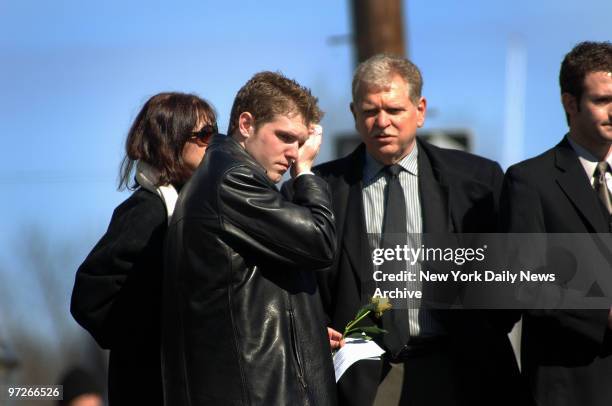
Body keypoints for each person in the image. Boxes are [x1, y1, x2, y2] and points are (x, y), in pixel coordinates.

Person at [313, 54, 522, 405]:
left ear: (419, 110)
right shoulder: (320, 188)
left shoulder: (479, 181)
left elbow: (509, 273)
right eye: (369, 111)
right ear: (353, 114)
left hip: (461, 371)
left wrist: (484, 329)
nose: (382, 122)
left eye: (394, 110)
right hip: (363, 380)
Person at [161, 72, 338, 405]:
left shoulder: (229, 176)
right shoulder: (232, 181)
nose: (293, 152)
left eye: (300, 142)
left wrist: (304, 332)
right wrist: (306, 174)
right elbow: (319, 241)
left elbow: (249, 296)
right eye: (284, 136)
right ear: (245, 124)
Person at [71, 92, 217, 406]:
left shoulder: (189, 207)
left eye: (215, 133)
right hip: (151, 388)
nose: (213, 143)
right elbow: (89, 297)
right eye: (205, 135)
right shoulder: (147, 211)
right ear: (172, 140)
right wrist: (155, 331)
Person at [502, 41, 612, 406]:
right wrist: (603, 313)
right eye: (602, 100)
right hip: (569, 386)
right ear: (570, 103)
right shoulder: (530, 180)